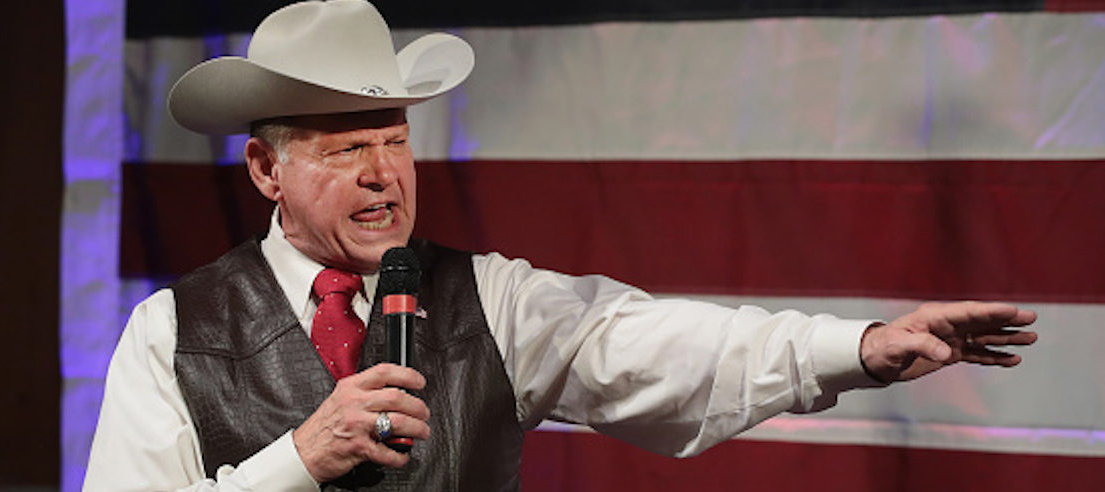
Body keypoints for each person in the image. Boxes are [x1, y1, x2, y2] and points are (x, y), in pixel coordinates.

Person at [83, 1, 1039, 490]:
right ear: (266, 170)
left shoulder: (491, 300)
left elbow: (666, 346)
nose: (384, 175)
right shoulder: (172, 331)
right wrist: (299, 457)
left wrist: (861, 347)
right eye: (345, 150)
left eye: (396, 141)